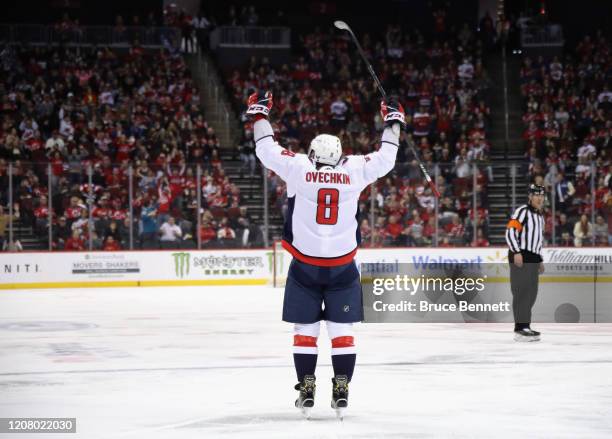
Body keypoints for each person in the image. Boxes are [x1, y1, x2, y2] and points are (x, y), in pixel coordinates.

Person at [246, 90, 402, 417]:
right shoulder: (355, 169)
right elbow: (386, 158)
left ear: (313, 153)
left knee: (305, 330)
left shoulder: (300, 168)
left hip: (304, 267)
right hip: (343, 268)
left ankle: (306, 385)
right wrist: (394, 121)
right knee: (342, 330)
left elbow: (265, 149)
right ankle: (341, 384)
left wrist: (259, 113)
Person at [505, 184, 545, 342]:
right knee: (522, 292)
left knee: (531, 293)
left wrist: (540, 259)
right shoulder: (523, 211)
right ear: (530, 196)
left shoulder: (540, 216)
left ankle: (525, 326)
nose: (539, 198)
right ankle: (520, 329)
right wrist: (516, 252)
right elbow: (510, 232)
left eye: (542, 195)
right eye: (536, 195)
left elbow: (538, 241)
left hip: (533, 258)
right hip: (521, 256)